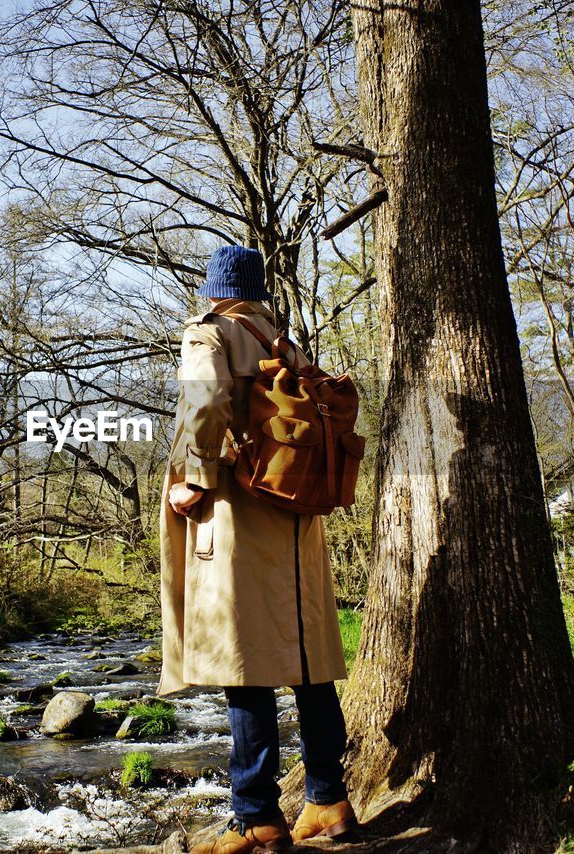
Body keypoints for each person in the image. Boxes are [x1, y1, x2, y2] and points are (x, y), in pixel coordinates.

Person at [156, 245, 358, 853]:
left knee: (243, 665)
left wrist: (194, 478)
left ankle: (256, 819)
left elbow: (206, 402)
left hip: (239, 515)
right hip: (296, 520)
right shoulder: (286, 347)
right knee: (307, 663)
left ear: (215, 289)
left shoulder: (209, 333)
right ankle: (328, 798)